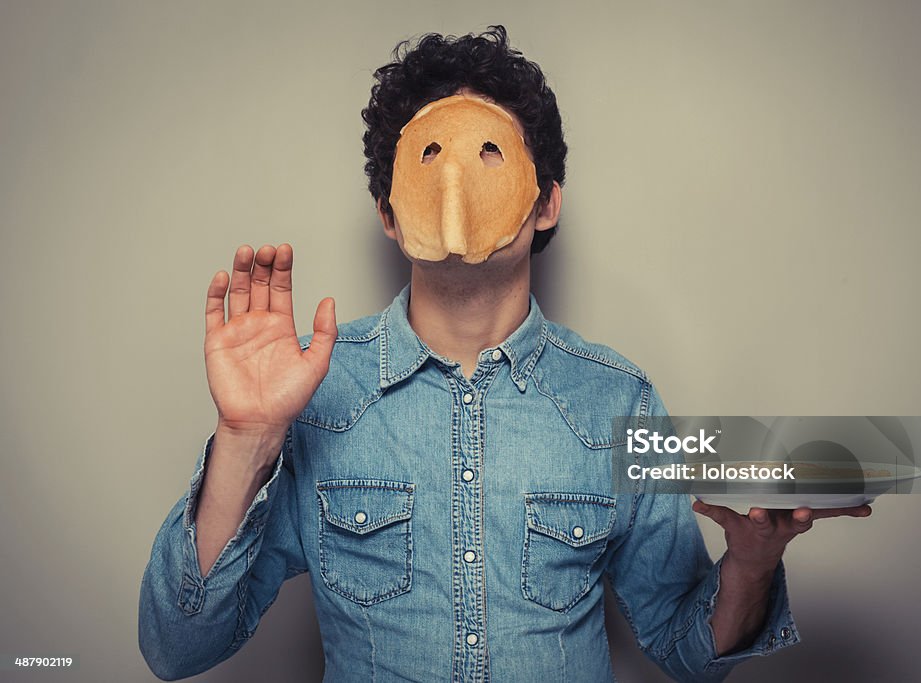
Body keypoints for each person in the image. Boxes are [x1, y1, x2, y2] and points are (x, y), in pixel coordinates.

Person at [138, 26, 870, 682]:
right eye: (429, 157)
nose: (457, 182)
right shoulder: (315, 394)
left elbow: (686, 651)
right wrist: (245, 438)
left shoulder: (620, 401)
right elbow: (177, 649)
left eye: (491, 152)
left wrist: (749, 564)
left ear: (546, 202)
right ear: (389, 214)